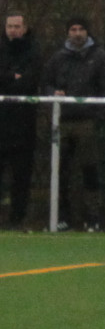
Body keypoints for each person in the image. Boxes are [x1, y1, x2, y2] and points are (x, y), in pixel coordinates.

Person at [42, 17, 105, 232]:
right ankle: (61, 218)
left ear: (88, 32)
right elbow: (46, 84)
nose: (77, 33)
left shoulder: (99, 57)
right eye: (73, 29)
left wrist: (98, 116)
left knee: (90, 170)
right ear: (67, 33)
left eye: (81, 29)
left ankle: (93, 219)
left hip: (87, 122)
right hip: (62, 121)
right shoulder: (58, 58)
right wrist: (52, 94)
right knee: (60, 172)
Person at [0, 12, 42, 230]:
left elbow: (30, 81)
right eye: (9, 26)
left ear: (25, 28)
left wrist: (11, 79)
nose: (13, 30)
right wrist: (12, 77)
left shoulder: (34, 52)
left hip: (24, 126)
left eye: (17, 26)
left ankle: (17, 220)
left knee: (21, 178)